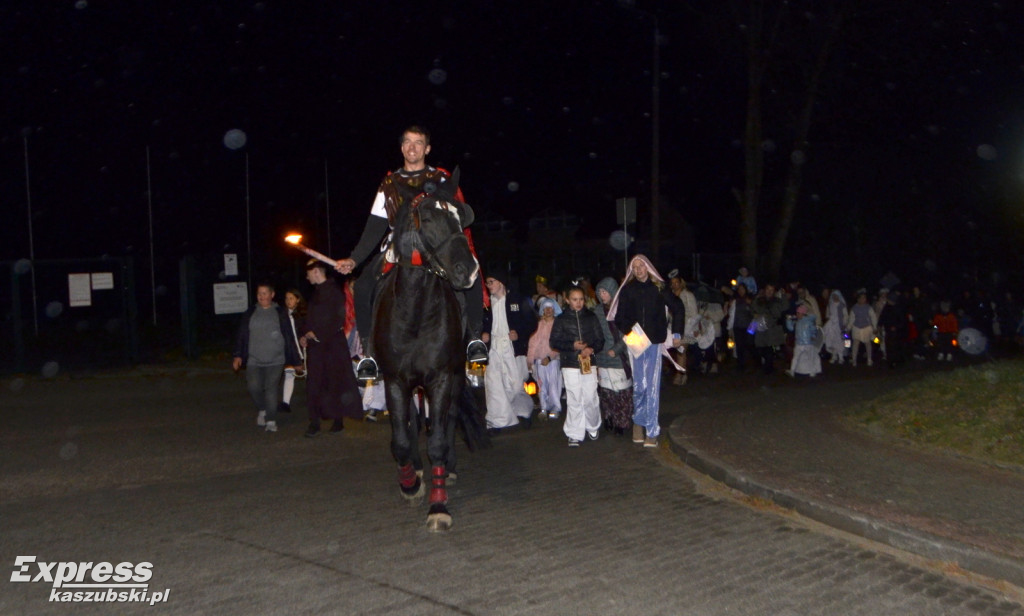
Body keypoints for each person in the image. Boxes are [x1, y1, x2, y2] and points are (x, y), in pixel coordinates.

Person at [334, 125, 487, 381]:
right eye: (407, 142)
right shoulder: (389, 183)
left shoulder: (441, 179)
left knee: (470, 272)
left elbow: (460, 214)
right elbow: (375, 226)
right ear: (401, 147)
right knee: (362, 287)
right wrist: (354, 259)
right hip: (399, 245)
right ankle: (369, 354)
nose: (412, 147)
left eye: (418, 142)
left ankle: (474, 339)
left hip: (435, 244)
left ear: (427, 148)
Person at [609, 254, 674, 448]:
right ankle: (639, 422)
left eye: (641, 266)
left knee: (652, 386)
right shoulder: (628, 290)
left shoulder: (659, 287)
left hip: (654, 342)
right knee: (639, 386)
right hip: (636, 341)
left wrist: (677, 332)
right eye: (635, 267)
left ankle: (652, 430)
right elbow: (619, 317)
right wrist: (632, 332)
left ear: (648, 267)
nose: (638, 270)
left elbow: (677, 307)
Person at [299, 260, 364, 437]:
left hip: (332, 346)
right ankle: (314, 422)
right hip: (317, 348)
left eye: (309, 273)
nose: (307, 277)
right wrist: (305, 334)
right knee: (314, 385)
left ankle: (338, 421)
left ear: (316, 272)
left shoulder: (334, 292)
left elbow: (336, 319)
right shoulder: (316, 294)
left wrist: (317, 333)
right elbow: (310, 319)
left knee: (335, 383)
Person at [232, 283, 301, 433]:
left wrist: (296, 361)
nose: (262, 296)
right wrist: (238, 355)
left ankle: (270, 420)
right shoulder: (251, 312)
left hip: (276, 359)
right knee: (253, 387)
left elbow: (289, 337)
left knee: (271, 389)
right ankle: (262, 409)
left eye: (265, 293)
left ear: (272, 295)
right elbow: (242, 335)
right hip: (254, 359)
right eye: (259, 293)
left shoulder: (280, 312)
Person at [549, 286, 605, 447]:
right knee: (574, 398)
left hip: (588, 362)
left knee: (590, 396)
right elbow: (554, 342)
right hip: (570, 364)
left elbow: (600, 339)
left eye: (581, 299)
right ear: (567, 300)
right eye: (575, 299)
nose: (578, 303)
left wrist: (590, 348)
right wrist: (572, 345)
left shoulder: (591, 317)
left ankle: (593, 425)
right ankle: (574, 432)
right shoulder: (561, 319)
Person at [481, 274, 537, 431]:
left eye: (491, 282)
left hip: (512, 349)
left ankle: (522, 411)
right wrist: (484, 333)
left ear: (501, 282)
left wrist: (519, 333)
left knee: (514, 385)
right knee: (494, 384)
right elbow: (482, 323)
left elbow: (532, 322)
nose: (489, 285)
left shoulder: (517, 300)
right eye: (487, 283)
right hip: (494, 349)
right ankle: (496, 421)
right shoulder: (487, 304)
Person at [593, 277, 632, 435]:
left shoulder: (622, 309)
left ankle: (621, 421)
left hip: (618, 357)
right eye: (600, 292)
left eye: (605, 291)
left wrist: (616, 349)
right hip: (602, 358)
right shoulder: (596, 311)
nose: (602, 295)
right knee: (606, 392)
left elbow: (628, 334)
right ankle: (608, 418)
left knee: (621, 392)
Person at [526, 297, 563, 420]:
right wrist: (530, 360)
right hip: (539, 361)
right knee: (541, 385)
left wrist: (550, 357)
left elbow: (558, 344)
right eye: (546, 308)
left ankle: (556, 408)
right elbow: (533, 342)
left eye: (550, 308)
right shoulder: (538, 325)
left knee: (554, 385)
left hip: (552, 361)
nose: (548, 310)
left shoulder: (558, 325)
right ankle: (543, 407)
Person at [279, 289, 307, 415]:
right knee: (289, 375)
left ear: (298, 299)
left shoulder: (304, 314)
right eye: (286, 298)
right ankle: (286, 402)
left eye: (291, 298)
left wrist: (305, 338)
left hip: (305, 351)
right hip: (290, 350)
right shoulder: (283, 315)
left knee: (310, 375)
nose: (288, 301)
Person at [751, 283, 787, 374]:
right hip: (760, 327)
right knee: (760, 348)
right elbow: (753, 309)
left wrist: (783, 296)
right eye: (768, 289)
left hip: (772, 328)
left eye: (771, 290)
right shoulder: (759, 300)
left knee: (770, 349)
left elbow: (784, 307)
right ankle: (763, 366)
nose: (769, 292)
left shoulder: (777, 301)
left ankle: (769, 368)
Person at [785, 302, 822, 377]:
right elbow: (790, 328)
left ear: (803, 313)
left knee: (810, 358)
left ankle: (812, 371)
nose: (797, 314)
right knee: (796, 357)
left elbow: (814, 330)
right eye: (797, 313)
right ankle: (792, 371)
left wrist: (813, 336)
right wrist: (788, 321)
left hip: (808, 343)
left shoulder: (808, 322)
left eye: (799, 313)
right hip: (799, 343)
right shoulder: (797, 322)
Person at [727, 283, 755, 372]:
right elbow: (730, 313)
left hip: (748, 326)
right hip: (737, 326)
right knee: (739, 345)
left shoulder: (749, 300)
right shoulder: (735, 300)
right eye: (739, 289)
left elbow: (754, 313)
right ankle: (740, 364)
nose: (741, 291)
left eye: (742, 289)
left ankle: (748, 362)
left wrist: (750, 305)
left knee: (748, 344)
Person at [845, 291, 878, 367]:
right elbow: (851, 319)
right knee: (855, 344)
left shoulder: (868, 307)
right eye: (862, 298)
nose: (863, 299)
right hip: (856, 328)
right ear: (858, 299)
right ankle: (854, 360)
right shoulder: (854, 308)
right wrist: (848, 329)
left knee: (868, 343)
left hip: (867, 328)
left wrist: (875, 327)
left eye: (864, 298)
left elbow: (873, 317)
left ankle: (869, 359)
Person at [822, 289, 848, 364]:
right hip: (831, 325)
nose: (835, 297)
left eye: (836, 296)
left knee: (840, 341)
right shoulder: (830, 304)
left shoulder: (842, 305)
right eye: (834, 296)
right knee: (832, 340)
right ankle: (834, 356)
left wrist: (844, 324)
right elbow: (828, 314)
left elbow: (845, 316)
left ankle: (841, 357)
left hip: (839, 325)